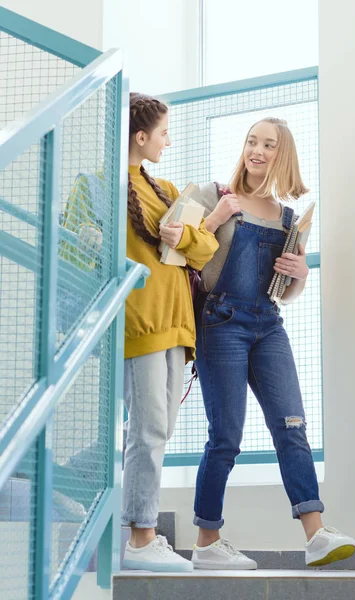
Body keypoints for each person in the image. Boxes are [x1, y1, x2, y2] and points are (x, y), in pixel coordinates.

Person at [190, 117, 355, 569]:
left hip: (268, 324)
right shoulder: (215, 195)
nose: (257, 151)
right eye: (252, 141)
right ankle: (207, 541)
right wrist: (214, 219)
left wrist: (301, 276)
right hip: (220, 321)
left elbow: (283, 290)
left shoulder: (288, 218)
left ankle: (316, 532)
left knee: (292, 426)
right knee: (225, 436)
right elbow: (183, 253)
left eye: (268, 145)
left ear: (282, 156)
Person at [121, 93, 218, 572]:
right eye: (163, 133)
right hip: (139, 323)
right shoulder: (100, 187)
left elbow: (203, 250)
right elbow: (81, 252)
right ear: (141, 136)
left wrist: (185, 237)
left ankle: (60, 478)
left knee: (157, 430)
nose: (168, 140)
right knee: (148, 428)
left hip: (178, 326)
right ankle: (141, 539)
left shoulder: (165, 187)